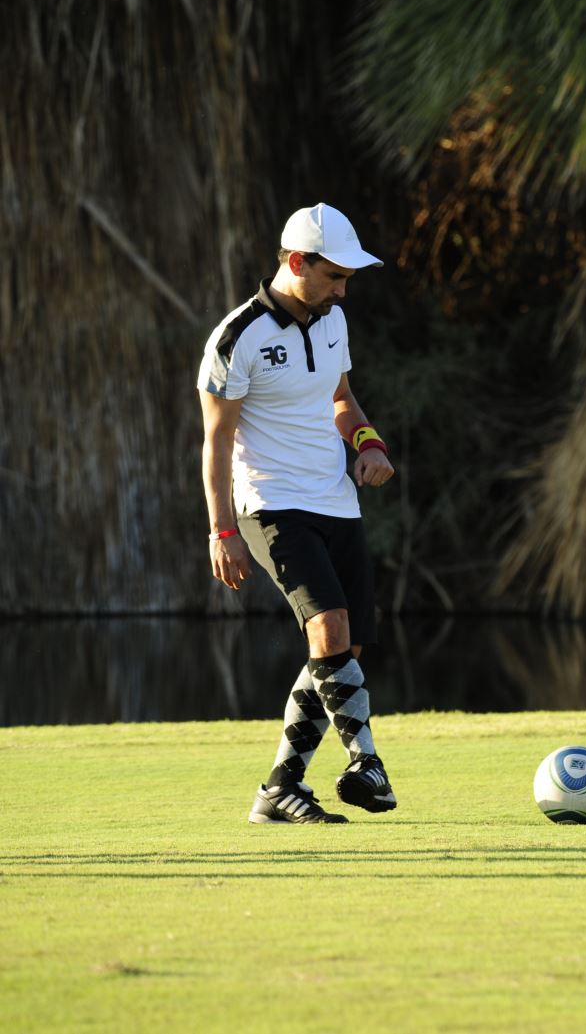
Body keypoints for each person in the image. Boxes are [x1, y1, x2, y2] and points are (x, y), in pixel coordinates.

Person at [196, 203, 398, 824]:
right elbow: (217, 440)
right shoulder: (237, 338)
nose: (342, 291)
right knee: (329, 629)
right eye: (334, 277)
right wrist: (223, 530)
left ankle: (279, 790)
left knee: (344, 651)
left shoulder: (333, 320)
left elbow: (341, 400)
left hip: (335, 499)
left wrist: (369, 445)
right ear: (295, 262)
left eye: (347, 280)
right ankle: (368, 763)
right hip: (270, 504)